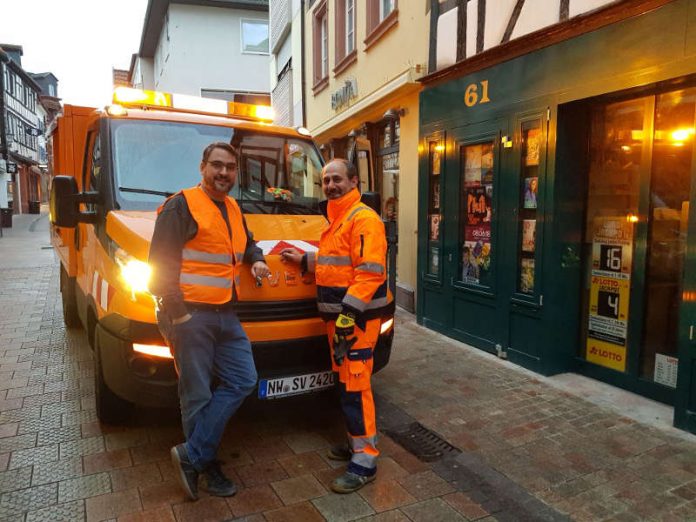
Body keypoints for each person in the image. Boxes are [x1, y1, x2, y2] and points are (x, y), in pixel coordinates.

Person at [149, 142, 271, 501]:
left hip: (225, 313)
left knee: (244, 379)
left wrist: (257, 258)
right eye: (217, 165)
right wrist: (179, 313)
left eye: (230, 168)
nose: (224, 173)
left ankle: (193, 454)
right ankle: (206, 463)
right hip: (191, 314)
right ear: (202, 167)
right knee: (197, 394)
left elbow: (245, 243)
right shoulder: (181, 205)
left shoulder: (233, 207)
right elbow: (160, 264)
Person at [280, 159, 393, 494]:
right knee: (347, 387)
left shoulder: (363, 219)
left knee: (355, 389)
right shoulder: (338, 218)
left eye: (337, 179)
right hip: (341, 323)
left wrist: (346, 318)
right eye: (326, 180)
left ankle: (365, 462)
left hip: (355, 322)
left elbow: (369, 273)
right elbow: (337, 264)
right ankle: (355, 442)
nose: (330, 185)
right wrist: (305, 261)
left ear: (353, 181)